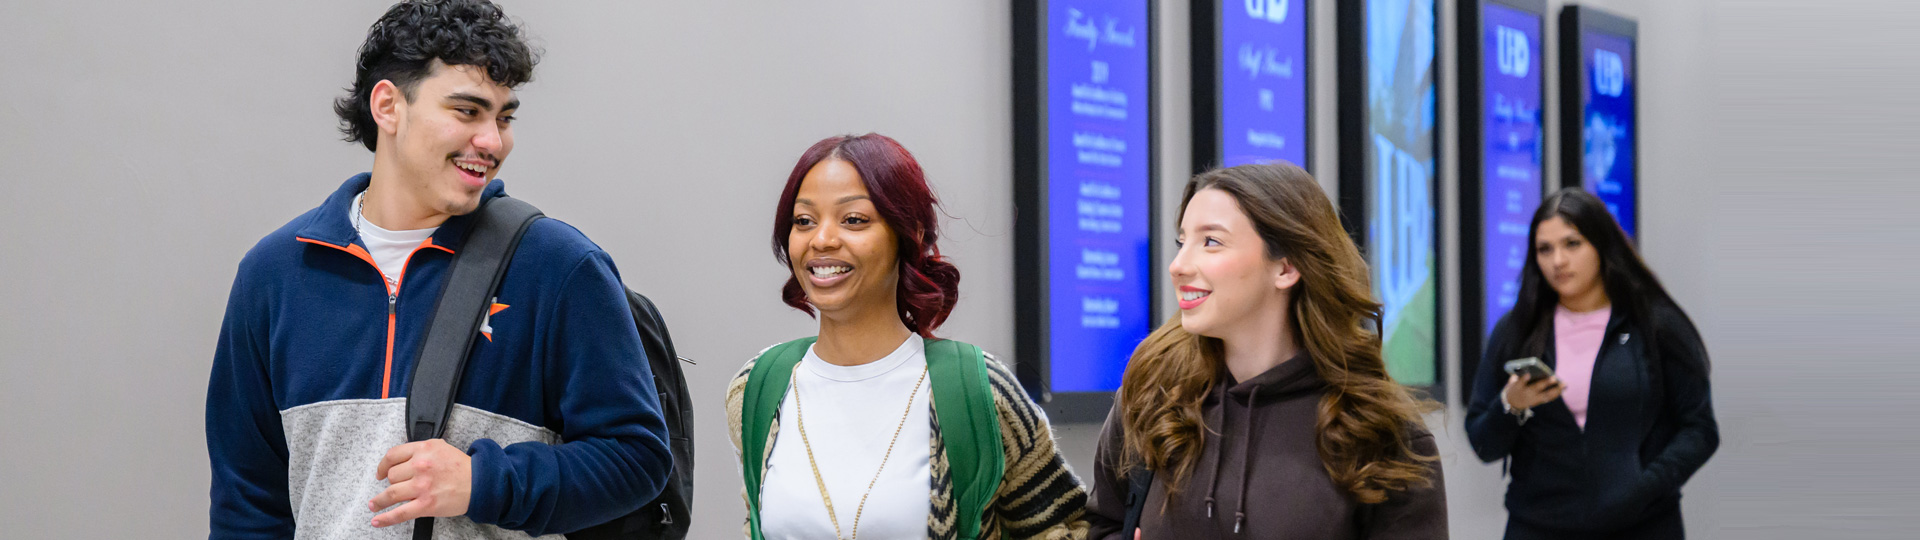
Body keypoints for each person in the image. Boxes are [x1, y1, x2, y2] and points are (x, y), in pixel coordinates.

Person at [204, 1, 671, 537]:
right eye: (467, 111)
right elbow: (248, 503)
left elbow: (638, 458)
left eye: (504, 116)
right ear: (388, 107)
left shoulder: (558, 267)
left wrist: (483, 481)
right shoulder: (275, 274)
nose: (493, 142)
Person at [726, 133, 1089, 540]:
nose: (822, 239)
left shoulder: (980, 391)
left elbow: (1061, 530)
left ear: (910, 233)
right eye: (804, 221)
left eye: (854, 220)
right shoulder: (757, 387)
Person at [1085, 163, 1448, 539]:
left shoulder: (1381, 432)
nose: (1178, 266)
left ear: (1286, 268)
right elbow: (1103, 524)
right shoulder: (1153, 391)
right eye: (1182, 242)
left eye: (1211, 241)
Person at [1466, 188, 1718, 539]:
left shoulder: (1654, 323)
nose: (1558, 261)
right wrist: (1511, 405)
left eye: (1572, 244)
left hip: (1643, 525)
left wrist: (1645, 486)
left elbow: (1700, 429)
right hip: (1538, 525)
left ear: (1601, 245)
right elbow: (1482, 443)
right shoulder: (1516, 330)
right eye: (1545, 249)